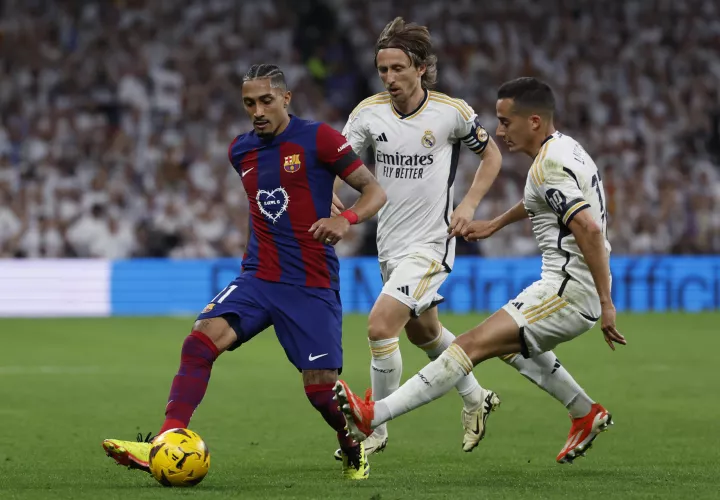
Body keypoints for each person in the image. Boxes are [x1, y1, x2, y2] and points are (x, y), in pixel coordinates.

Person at [102, 63, 387, 480]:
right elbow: (283, 196)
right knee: (199, 341)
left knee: (321, 391)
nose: (257, 110)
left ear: (286, 98)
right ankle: (164, 439)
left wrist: (347, 220)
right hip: (258, 277)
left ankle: (351, 447)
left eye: (266, 101)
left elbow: (375, 190)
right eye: (249, 103)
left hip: (310, 284)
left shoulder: (320, 137)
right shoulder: (241, 150)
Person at [334, 77, 627, 464]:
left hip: (569, 293)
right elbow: (541, 201)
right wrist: (494, 224)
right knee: (506, 347)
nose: (500, 132)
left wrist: (606, 303)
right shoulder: (565, 150)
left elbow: (587, 227)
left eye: (506, 122)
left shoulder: (549, 166)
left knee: (468, 347)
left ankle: (375, 415)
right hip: (561, 284)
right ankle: (584, 412)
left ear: (534, 121)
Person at [333, 17, 504, 458]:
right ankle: (476, 398)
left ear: (421, 69)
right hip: (389, 245)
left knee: (379, 326)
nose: (389, 78)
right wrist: (329, 199)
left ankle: (375, 428)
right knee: (424, 334)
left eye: (397, 69)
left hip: (431, 243)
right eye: (383, 70)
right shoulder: (367, 114)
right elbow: (338, 163)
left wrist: (467, 206)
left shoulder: (451, 112)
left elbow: (492, 156)